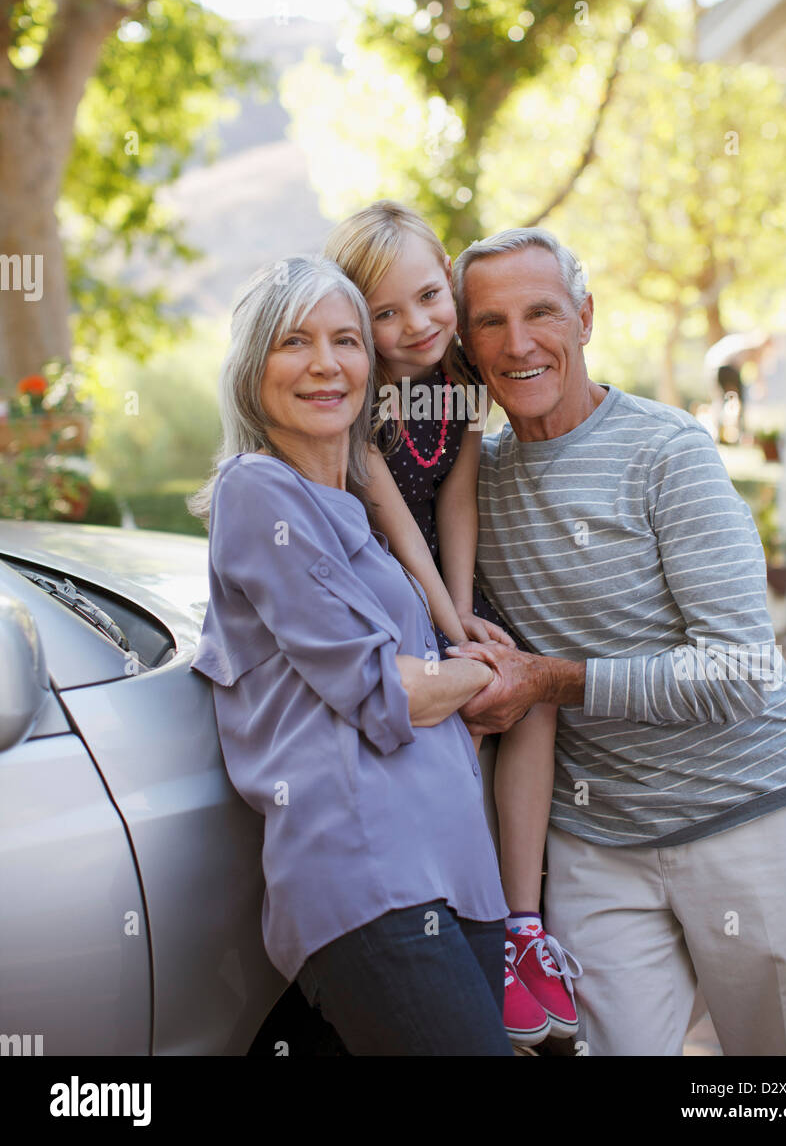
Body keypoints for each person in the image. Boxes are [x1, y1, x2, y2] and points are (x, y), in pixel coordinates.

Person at [447, 227, 786, 1057]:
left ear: (586, 318)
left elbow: (739, 671)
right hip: (600, 845)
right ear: (465, 346)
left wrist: (551, 679)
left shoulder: (668, 453)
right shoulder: (473, 483)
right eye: (489, 323)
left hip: (750, 817)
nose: (517, 343)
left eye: (541, 313)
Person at [188, 255, 513, 1056]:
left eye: (346, 341)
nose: (326, 364)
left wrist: (455, 654)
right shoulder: (257, 492)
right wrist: (482, 672)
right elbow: (380, 687)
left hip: (460, 873)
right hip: (370, 878)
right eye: (295, 342)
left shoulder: (353, 513)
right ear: (250, 370)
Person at [324, 202, 582, 1047]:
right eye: (385, 313)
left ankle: (522, 924)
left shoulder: (461, 379)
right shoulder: (358, 394)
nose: (416, 325)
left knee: (526, 688)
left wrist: (469, 614)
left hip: (446, 580)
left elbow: (457, 495)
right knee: (458, 726)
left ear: (447, 274)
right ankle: (462, 920)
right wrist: (441, 623)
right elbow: (396, 520)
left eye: (430, 297)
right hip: (393, 588)